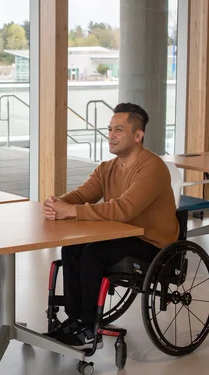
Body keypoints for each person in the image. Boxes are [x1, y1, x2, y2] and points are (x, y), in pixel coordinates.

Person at [42, 102, 179, 349]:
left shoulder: (152, 167)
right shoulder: (107, 168)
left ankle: (88, 328)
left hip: (152, 242)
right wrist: (56, 202)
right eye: (109, 129)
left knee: (94, 253)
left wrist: (70, 211)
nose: (111, 136)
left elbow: (124, 209)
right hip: (123, 236)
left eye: (118, 130)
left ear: (138, 135)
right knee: (72, 247)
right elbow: (83, 194)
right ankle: (76, 321)